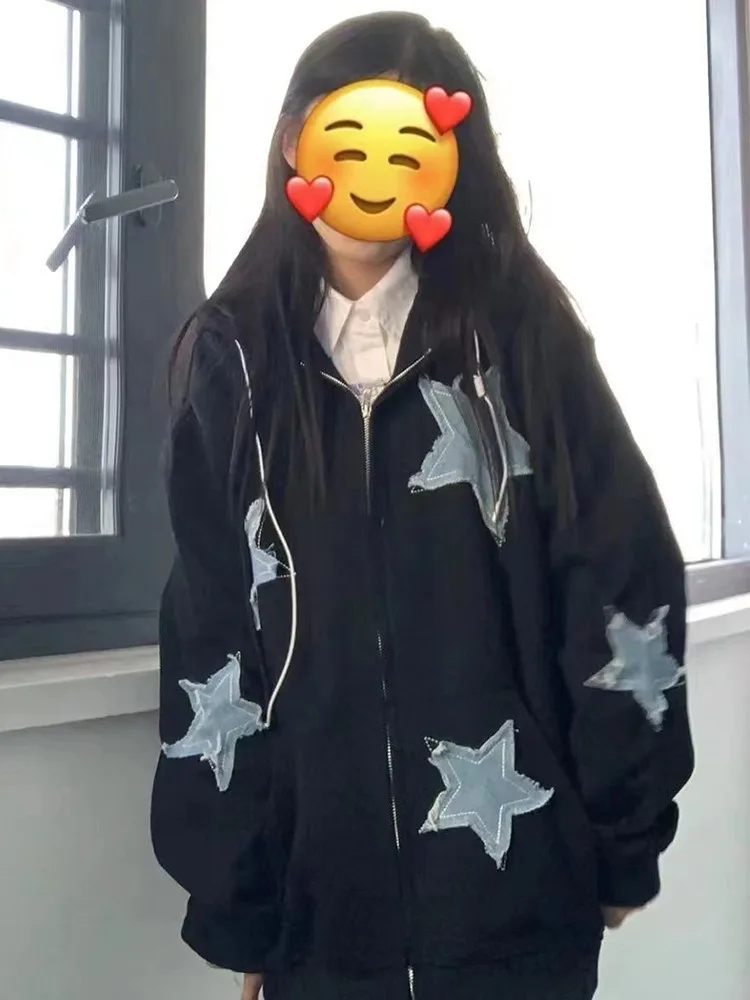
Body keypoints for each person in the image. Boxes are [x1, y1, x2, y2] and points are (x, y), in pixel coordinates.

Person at [150, 12, 694, 1000]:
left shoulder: (523, 339)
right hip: (319, 925)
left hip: (519, 910)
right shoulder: (235, 361)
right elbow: (209, 632)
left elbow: (621, 576)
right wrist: (240, 901)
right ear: (294, 143)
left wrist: (624, 831)